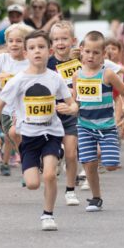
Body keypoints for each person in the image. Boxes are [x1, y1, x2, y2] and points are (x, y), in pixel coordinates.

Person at [0, 30, 78, 231]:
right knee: (32, 184)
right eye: (32, 48)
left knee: (49, 176)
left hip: (52, 133)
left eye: (41, 47)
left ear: (50, 50)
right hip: (28, 136)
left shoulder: (55, 78)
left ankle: (48, 215)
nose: (37, 51)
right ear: (26, 53)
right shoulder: (19, 80)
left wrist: (70, 108)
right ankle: (42, 161)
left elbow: (73, 104)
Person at [74, 31, 124, 212]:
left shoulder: (107, 74)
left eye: (96, 53)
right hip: (84, 126)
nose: (91, 56)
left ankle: (102, 153)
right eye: (88, 52)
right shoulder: (77, 75)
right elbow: (76, 102)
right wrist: (67, 109)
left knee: (111, 165)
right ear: (81, 51)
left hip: (106, 126)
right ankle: (96, 198)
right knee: (89, 163)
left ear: (104, 55)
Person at [0, 24, 32, 175]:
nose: (14, 44)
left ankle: (30, 166)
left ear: (25, 43)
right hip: (5, 109)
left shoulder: (29, 60)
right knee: (14, 138)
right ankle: (28, 163)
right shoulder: (2, 59)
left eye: (18, 41)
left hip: (25, 108)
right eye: (11, 41)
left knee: (21, 135)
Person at [47, 21, 82, 205]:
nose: (60, 43)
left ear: (73, 40)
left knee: (71, 154)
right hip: (50, 116)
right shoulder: (47, 63)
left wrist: (75, 103)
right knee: (52, 156)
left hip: (71, 114)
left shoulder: (79, 62)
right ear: (51, 43)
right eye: (56, 39)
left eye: (64, 38)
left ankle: (70, 190)